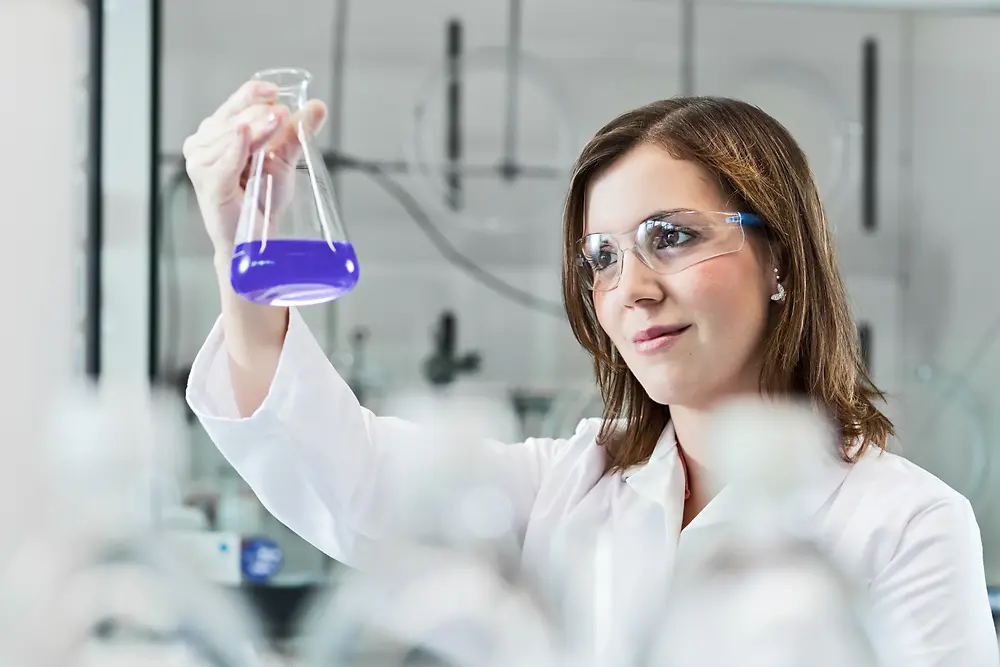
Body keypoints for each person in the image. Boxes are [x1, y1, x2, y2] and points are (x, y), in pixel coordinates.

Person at [184, 80, 999, 665]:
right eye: (601, 258)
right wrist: (240, 243)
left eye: (671, 237)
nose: (631, 288)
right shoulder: (572, 486)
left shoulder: (907, 525)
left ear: (780, 257)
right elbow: (348, 475)